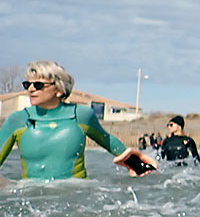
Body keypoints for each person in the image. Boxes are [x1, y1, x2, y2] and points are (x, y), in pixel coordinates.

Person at [0, 60, 155, 179]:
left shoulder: (81, 115)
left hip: (76, 193)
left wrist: (139, 165)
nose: (31, 89)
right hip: (32, 197)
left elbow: (108, 141)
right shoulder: (17, 120)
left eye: (38, 85)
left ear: (59, 90)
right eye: (28, 84)